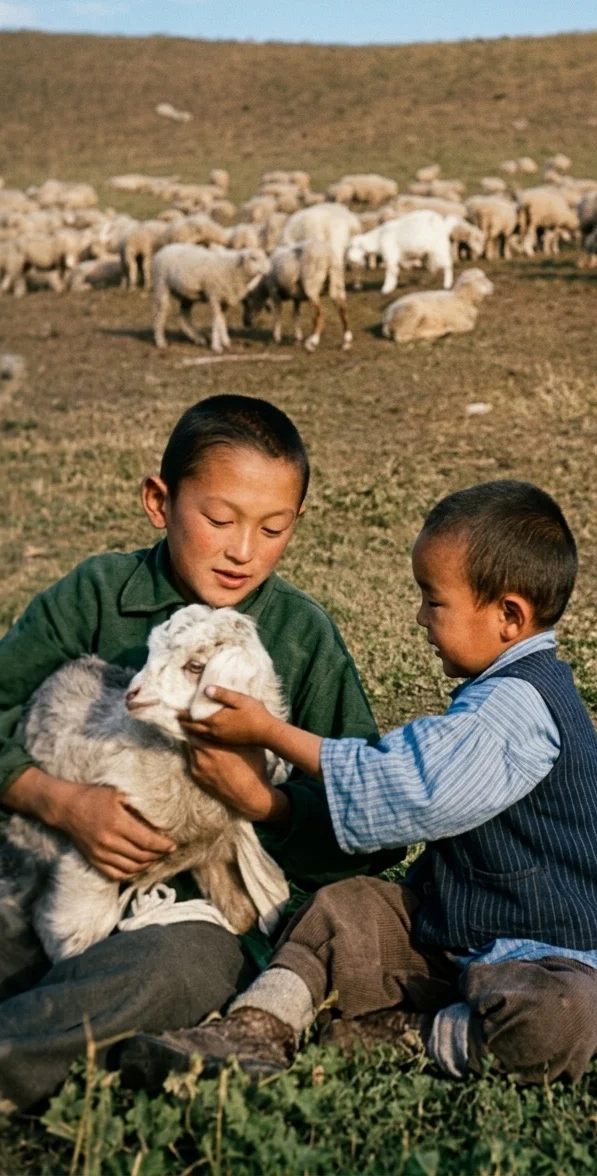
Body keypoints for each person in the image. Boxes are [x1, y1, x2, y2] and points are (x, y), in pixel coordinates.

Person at [122, 480, 597, 1088]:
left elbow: (412, 785)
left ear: (508, 616)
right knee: (346, 908)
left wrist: (271, 732)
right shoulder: (495, 693)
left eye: (434, 601)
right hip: (458, 934)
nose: (421, 617)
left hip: (559, 957)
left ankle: (415, 1034)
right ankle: (256, 1026)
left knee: (559, 1017)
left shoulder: (517, 708)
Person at [0, 394, 401, 1112]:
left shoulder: (302, 639)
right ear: (160, 502)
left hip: (188, 911)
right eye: (219, 520)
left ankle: (15, 1054)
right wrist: (60, 802)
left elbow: (370, 822)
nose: (244, 550)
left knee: (171, 973)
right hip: (44, 858)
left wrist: (262, 802)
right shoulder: (96, 596)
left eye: (272, 528)